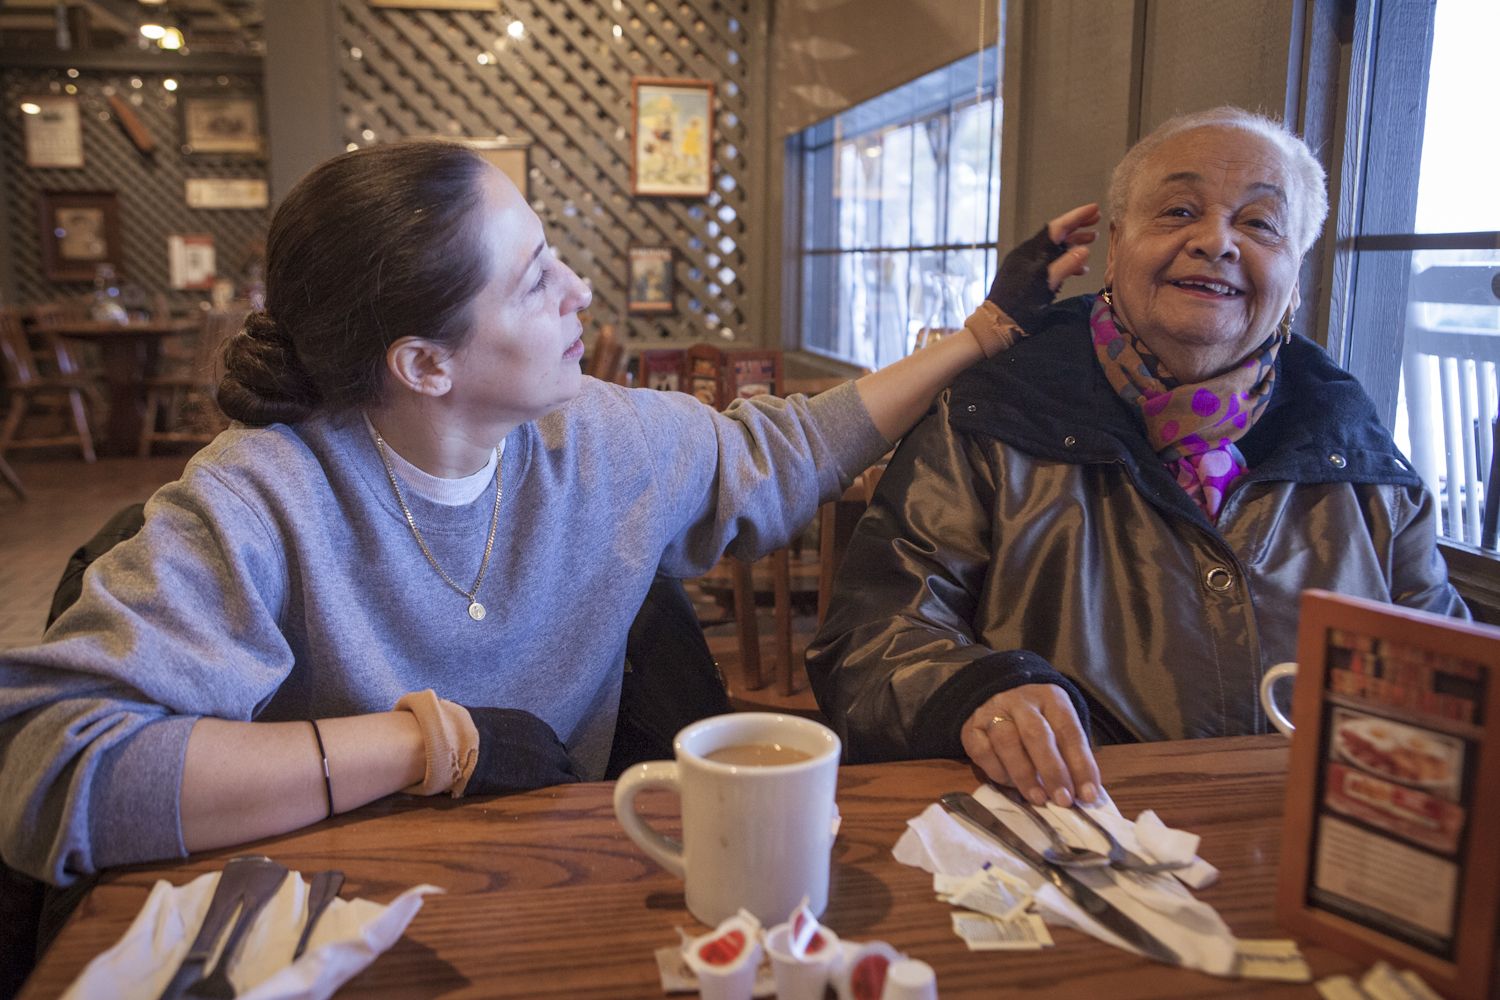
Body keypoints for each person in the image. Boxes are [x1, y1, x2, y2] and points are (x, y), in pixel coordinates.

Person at [0, 139, 1023, 888]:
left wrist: (980, 334)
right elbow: (54, 763)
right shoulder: (265, 495)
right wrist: (432, 745)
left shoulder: (601, 437)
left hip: (544, 886)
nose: (581, 289)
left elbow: (788, 450)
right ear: (425, 362)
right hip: (330, 919)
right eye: (536, 279)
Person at [806, 106, 1465, 811]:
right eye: (1180, 210)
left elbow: (1451, 681)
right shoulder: (992, 414)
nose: (1216, 241)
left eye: (1259, 224)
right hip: (1068, 843)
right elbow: (871, 642)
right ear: (1115, 248)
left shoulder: (1357, 451)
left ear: (1295, 273)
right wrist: (974, 692)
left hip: (1303, 850)